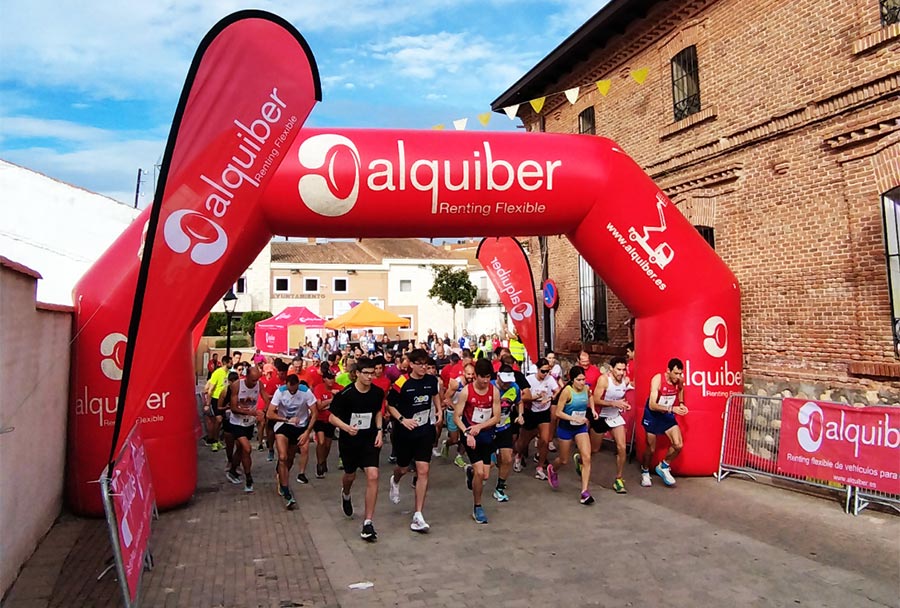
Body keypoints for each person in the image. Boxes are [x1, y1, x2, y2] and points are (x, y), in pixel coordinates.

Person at [329, 357, 385, 541]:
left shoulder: (377, 393)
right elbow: (331, 418)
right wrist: (346, 428)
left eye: (372, 373)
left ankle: (368, 522)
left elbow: (378, 412)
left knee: (373, 476)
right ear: (358, 373)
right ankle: (345, 493)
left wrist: (379, 430)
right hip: (350, 441)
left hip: (369, 439)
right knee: (350, 476)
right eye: (366, 373)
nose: (370, 377)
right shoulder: (346, 394)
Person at [386, 348, 441, 533]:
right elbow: (390, 405)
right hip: (405, 432)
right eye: (419, 364)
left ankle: (418, 514)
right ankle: (395, 480)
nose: (423, 367)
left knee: (423, 470)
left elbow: (435, 395)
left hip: (425, 430)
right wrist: (403, 420)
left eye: (426, 364)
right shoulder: (402, 382)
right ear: (410, 364)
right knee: (403, 468)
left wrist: (439, 410)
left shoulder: (431, 380)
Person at [455, 358, 500, 523]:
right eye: (483, 377)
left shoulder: (494, 391)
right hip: (470, 435)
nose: (486, 381)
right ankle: (478, 507)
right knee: (480, 473)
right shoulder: (466, 392)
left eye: (488, 377)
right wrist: (467, 433)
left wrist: (480, 427)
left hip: (485, 433)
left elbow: (496, 417)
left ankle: (471, 472)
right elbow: (457, 416)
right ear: (476, 376)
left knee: (485, 474)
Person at [547, 366, 596, 505]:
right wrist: (573, 418)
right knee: (564, 460)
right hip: (566, 428)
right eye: (579, 380)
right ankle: (552, 469)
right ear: (572, 380)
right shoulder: (567, 392)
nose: (582, 382)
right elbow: (558, 413)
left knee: (587, 457)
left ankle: (585, 492)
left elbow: (591, 397)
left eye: (583, 379)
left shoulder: (586, 388)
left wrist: (593, 410)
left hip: (580, 428)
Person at [268, 374, 317, 509]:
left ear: (297, 385)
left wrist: (307, 432)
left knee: (290, 458)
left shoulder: (305, 392)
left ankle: (281, 475)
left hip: (300, 427)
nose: (292, 392)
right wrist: (286, 419)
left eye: (294, 390)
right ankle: (286, 491)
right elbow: (269, 413)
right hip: (283, 425)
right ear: (286, 384)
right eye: (290, 389)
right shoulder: (280, 391)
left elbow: (315, 413)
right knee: (283, 457)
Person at [640, 358, 687, 487]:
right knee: (651, 448)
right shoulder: (658, 380)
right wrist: (672, 409)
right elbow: (652, 405)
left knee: (678, 445)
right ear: (668, 371)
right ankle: (645, 472)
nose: (678, 377)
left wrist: (681, 403)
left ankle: (664, 466)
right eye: (675, 373)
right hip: (652, 415)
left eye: (680, 373)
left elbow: (681, 389)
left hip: (666, 414)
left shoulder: (679, 380)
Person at [590, 356, 631, 494]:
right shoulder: (604, 380)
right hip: (600, 417)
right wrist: (614, 403)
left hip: (615, 417)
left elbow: (621, 398)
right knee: (594, 450)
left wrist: (624, 404)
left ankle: (618, 479)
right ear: (611, 369)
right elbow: (595, 400)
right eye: (618, 369)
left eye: (623, 370)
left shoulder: (625, 380)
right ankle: (581, 460)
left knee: (622, 447)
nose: (621, 373)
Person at [226, 367, 270, 493]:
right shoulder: (237, 385)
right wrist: (251, 412)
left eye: (257, 380)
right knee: (247, 448)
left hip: (249, 423)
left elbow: (267, 400)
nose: (255, 382)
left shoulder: (259, 384)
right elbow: (233, 408)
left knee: (240, 450)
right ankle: (249, 478)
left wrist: (263, 411)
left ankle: (232, 470)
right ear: (247, 377)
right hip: (237, 422)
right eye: (253, 380)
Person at [517, 358, 559, 479]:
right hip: (531, 412)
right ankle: (518, 456)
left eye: (547, 371)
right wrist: (535, 397)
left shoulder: (550, 379)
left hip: (544, 412)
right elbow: (521, 398)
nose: (545, 374)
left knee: (545, 440)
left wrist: (550, 398)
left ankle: (540, 467)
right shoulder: (529, 379)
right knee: (524, 441)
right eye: (543, 371)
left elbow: (557, 390)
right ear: (537, 369)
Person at [492, 365, 522, 502]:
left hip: (505, 426)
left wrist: (520, 415)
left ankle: (499, 488)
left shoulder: (514, 388)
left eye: (509, 381)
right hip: (488, 428)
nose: (506, 384)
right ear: (498, 377)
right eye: (504, 381)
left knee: (507, 459)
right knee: (488, 465)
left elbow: (519, 402)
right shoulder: (490, 386)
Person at [440, 362, 474, 468]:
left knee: (465, 435)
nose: (470, 376)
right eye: (468, 374)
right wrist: (456, 409)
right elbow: (446, 398)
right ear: (464, 373)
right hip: (452, 413)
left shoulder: (473, 383)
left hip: (466, 414)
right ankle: (447, 443)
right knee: (454, 439)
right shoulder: (456, 384)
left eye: (472, 374)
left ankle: (459, 456)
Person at [312, 368, 340, 478]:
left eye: (332, 378)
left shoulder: (339, 388)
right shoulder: (319, 388)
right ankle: (319, 464)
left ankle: (323, 460)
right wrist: (332, 399)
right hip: (319, 419)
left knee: (328, 444)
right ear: (324, 379)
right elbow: (319, 406)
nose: (331, 381)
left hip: (331, 419)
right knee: (321, 441)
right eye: (328, 378)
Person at [204, 355, 232, 451]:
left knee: (220, 422)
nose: (232, 364)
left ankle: (216, 440)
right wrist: (208, 403)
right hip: (216, 399)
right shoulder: (217, 373)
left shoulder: (228, 373)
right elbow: (210, 389)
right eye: (230, 363)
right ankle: (213, 442)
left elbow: (225, 385)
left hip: (224, 399)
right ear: (225, 363)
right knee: (218, 419)